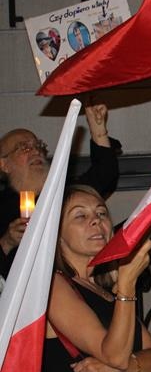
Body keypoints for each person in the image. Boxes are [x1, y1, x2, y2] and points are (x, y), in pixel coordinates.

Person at [43, 185, 151, 372]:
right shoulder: (54, 286)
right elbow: (115, 355)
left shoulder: (104, 291)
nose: (96, 221)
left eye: (101, 213)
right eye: (80, 216)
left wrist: (117, 368)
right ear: (57, 233)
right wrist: (127, 284)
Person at [0, 103, 120, 278]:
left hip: (71, 284)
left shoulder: (64, 193)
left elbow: (105, 173)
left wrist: (98, 129)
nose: (36, 152)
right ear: (3, 164)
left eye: (38, 146)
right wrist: (7, 242)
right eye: (24, 147)